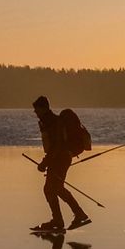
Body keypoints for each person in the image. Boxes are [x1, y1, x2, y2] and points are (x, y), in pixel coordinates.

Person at [31, 95, 90, 232]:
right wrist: (47, 162)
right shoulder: (49, 121)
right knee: (53, 188)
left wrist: (44, 163)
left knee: (54, 188)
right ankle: (64, 218)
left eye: (37, 109)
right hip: (58, 159)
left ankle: (71, 216)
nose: (35, 112)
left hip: (60, 159)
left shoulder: (53, 122)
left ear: (44, 108)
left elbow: (57, 146)